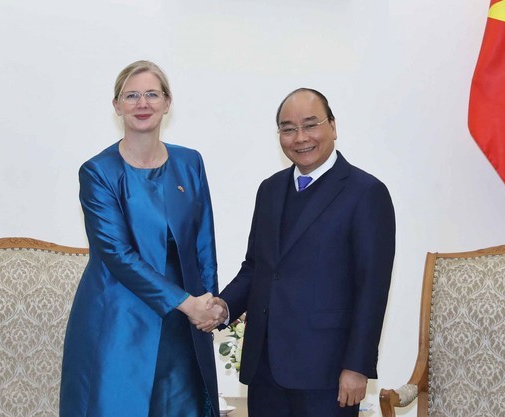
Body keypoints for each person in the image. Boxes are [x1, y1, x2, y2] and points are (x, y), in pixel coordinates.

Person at [200, 88, 396, 417]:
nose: (300, 137)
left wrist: (357, 367)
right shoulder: (270, 189)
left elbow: (372, 288)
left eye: (310, 125)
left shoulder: (366, 193)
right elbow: (256, 268)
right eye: (288, 128)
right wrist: (222, 307)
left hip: (327, 373)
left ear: (333, 126)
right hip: (265, 367)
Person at [60, 60, 224, 417]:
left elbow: (203, 242)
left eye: (152, 94)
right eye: (131, 95)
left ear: (167, 102)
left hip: (182, 327)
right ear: (117, 106)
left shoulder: (190, 162)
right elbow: (117, 254)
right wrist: (187, 303)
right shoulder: (98, 172)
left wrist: (209, 305)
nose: (142, 103)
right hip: (117, 322)